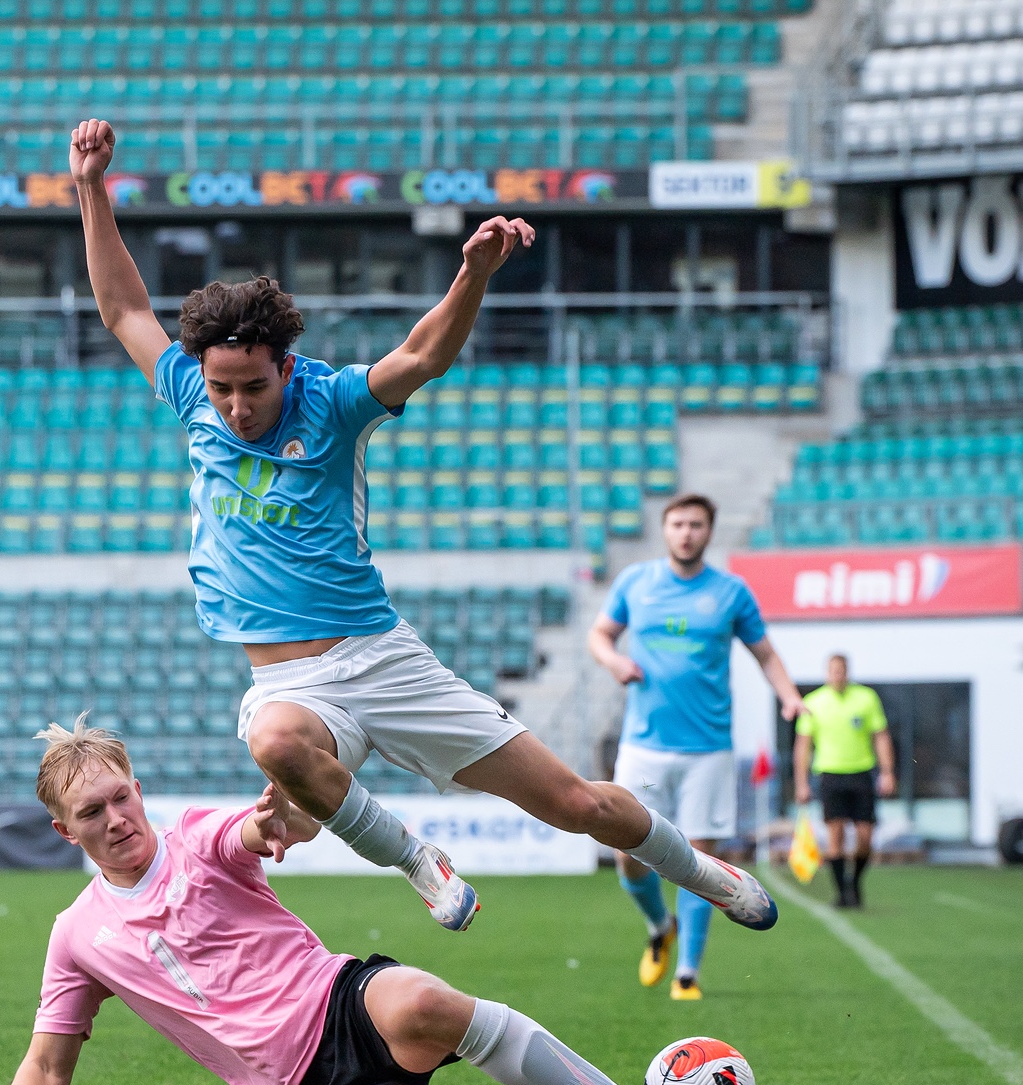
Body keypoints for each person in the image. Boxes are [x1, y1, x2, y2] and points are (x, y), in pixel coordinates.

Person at [66, 116, 776, 938]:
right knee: (275, 743)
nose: (235, 406)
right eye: (221, 388)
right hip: (287, 684)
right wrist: (89, 188)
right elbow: (123, 309)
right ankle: (418, 861)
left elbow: (424, 355)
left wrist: (471, 274)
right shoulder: (193, 399)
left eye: (251, 388)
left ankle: (701, 871)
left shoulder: (331, 403)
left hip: (380, 660)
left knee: (572, 802)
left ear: (284, 367)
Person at [0, 716, 750, 1085]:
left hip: (344, 1001)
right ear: (62, 830)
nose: (114, 821)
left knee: (425, 1000)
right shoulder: (75, 936)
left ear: (138, 791)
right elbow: (47, 1064)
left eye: (119, 799)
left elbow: (246, 830)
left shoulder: (192, 837)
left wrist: (267, 822)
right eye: (90, 814)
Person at [588, 494, 804, 1000]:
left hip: (708, 748)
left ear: (710, 531)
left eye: (697, 525)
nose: (686, 532)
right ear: (666, 530)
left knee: (700, 860)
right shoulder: (635, 583)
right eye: (678, 523)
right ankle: (659, 926)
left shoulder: (730, 593)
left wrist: (791, 698)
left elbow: (766, 654)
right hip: (644, 746)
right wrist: (613, 661)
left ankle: (687, 974)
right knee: (628, 853)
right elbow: (600, 635)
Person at [794, 654, 893, 909]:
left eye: (842, 670)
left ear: (848, 672)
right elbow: (803, 746)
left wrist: (888, 771)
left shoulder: (866, 698)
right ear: (827, 673)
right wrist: (801, 783)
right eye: (833, 671)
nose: (838, 675)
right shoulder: (813, 702)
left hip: (861, 773)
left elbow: (880, 736)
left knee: (865, 836)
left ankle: (855, 881)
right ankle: (842, 894)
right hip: (830, 774)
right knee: (835, 835)